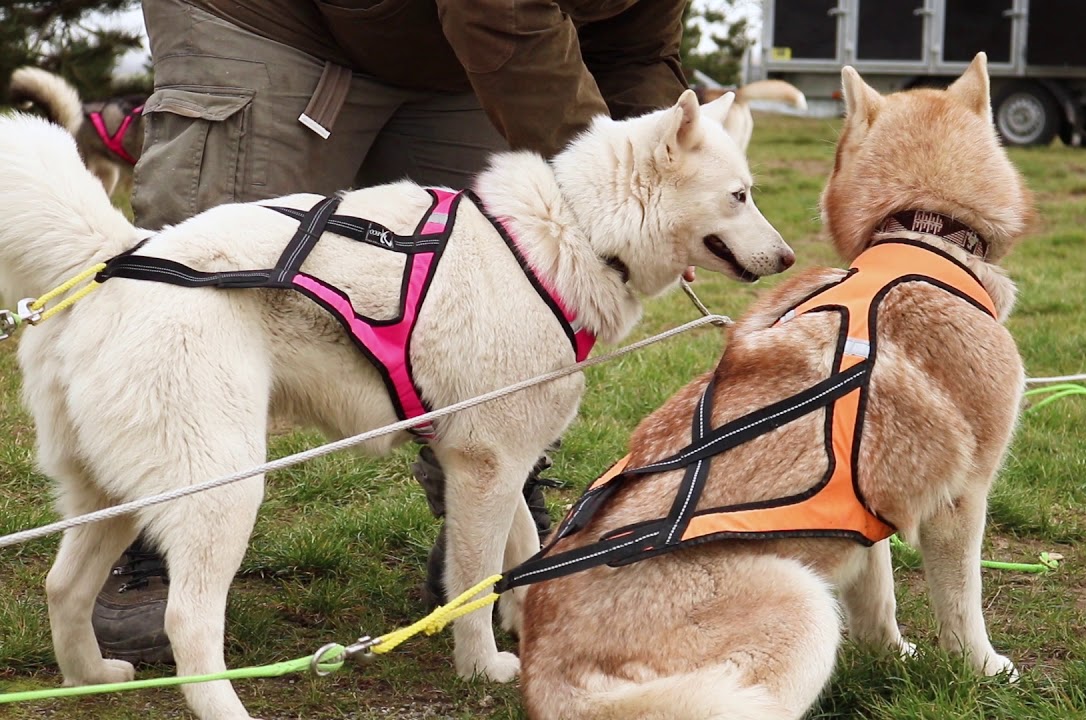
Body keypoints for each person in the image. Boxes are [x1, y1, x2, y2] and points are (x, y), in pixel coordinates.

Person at [95, 0, 691, 665]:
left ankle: (493, 511)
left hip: (456, 59)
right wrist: (611, 188)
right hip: (278, 23)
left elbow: (639, 51)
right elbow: (497, 8)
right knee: (201, 282)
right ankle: (151, 534)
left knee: (507, 301)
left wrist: (671, 189)